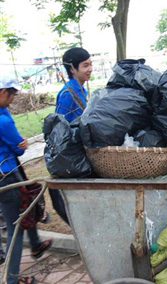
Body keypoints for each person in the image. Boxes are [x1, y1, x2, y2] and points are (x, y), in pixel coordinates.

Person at [0, 76, 52, 284]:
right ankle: (12, 279)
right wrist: (21, 143)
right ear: (4, 92)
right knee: (16, 227)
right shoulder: (3, 120)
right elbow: (18, 147)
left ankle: (36, 243)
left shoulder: (4, 113)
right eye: (12, 95)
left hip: (8, 174)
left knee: (28, 203)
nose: (13, 99)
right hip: (6, 176)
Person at [53, 47, 92, 224]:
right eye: (85, 65)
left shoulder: (81, 91)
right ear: (72, 69)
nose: (90, 69)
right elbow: (59, 129)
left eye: (91, 64)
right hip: (71, 155)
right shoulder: (68, 95)